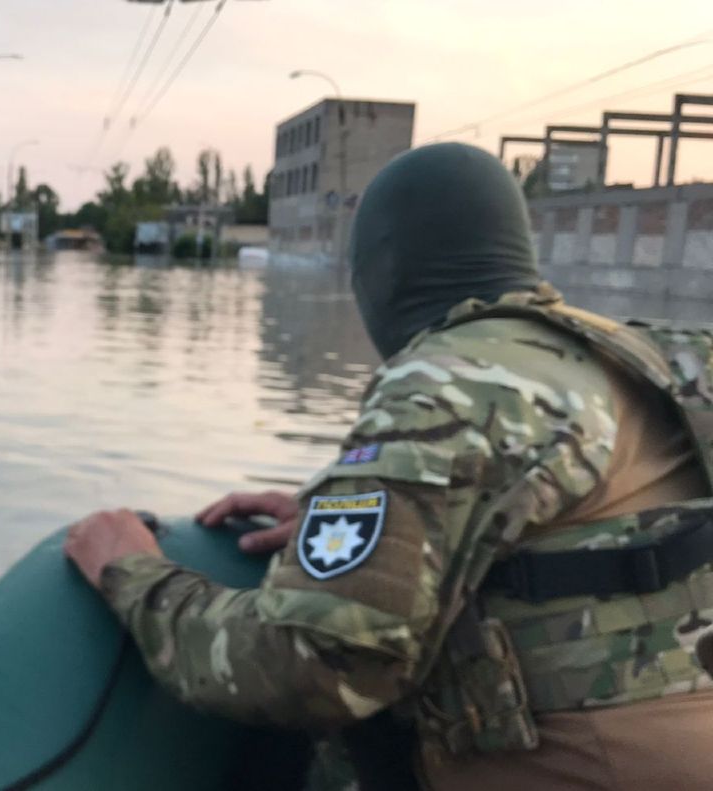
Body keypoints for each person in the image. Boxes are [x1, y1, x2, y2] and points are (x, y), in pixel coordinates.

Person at [64, 142, 713, 790]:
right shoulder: (656, 359)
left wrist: (134, 573)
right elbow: (579, 538)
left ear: (380, 271)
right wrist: (368, 529)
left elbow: (314, 667)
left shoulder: (449, 379)